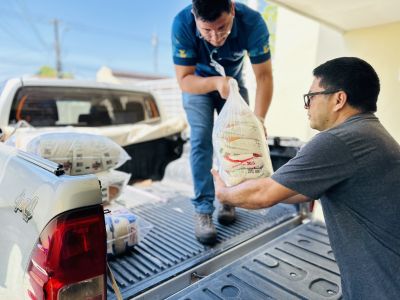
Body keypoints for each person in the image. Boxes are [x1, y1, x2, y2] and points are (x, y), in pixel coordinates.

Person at [212, 57, 400, 298]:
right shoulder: (369, 133)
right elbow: (298, 190)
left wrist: (224, 193)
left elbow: (263, 196)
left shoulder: (338, 140)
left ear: (338, 99)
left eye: (311, 97)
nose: (307, 106)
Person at [171, 0, 273, 244]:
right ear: (195, 18)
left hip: (234, 85)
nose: (215, 37)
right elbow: (184, 80)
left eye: (222, 27)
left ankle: (230, 198)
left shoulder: (253, 22)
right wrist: (216, 83)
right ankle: (203, 210)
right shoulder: (181, 23)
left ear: (233, 10)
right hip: (198, 86)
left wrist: (258, 119)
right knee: (202, 139)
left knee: (239, 140)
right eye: (206, 30)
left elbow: (264, 76)